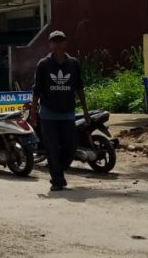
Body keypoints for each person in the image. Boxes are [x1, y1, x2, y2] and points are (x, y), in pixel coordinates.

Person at [31, 31, 90, 192]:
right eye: (54, 42)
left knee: (70, 146)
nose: (57, 44)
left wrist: (85, 111)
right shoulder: (43, 64)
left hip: (67, 113)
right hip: (48, 114)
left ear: (65, 44)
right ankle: (57, 180)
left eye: (60, 41)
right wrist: (33, 113)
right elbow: (37, 90)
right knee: (52, 148)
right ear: (50, 45)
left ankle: (60, 169)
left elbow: (79, 88)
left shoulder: (73, 64)